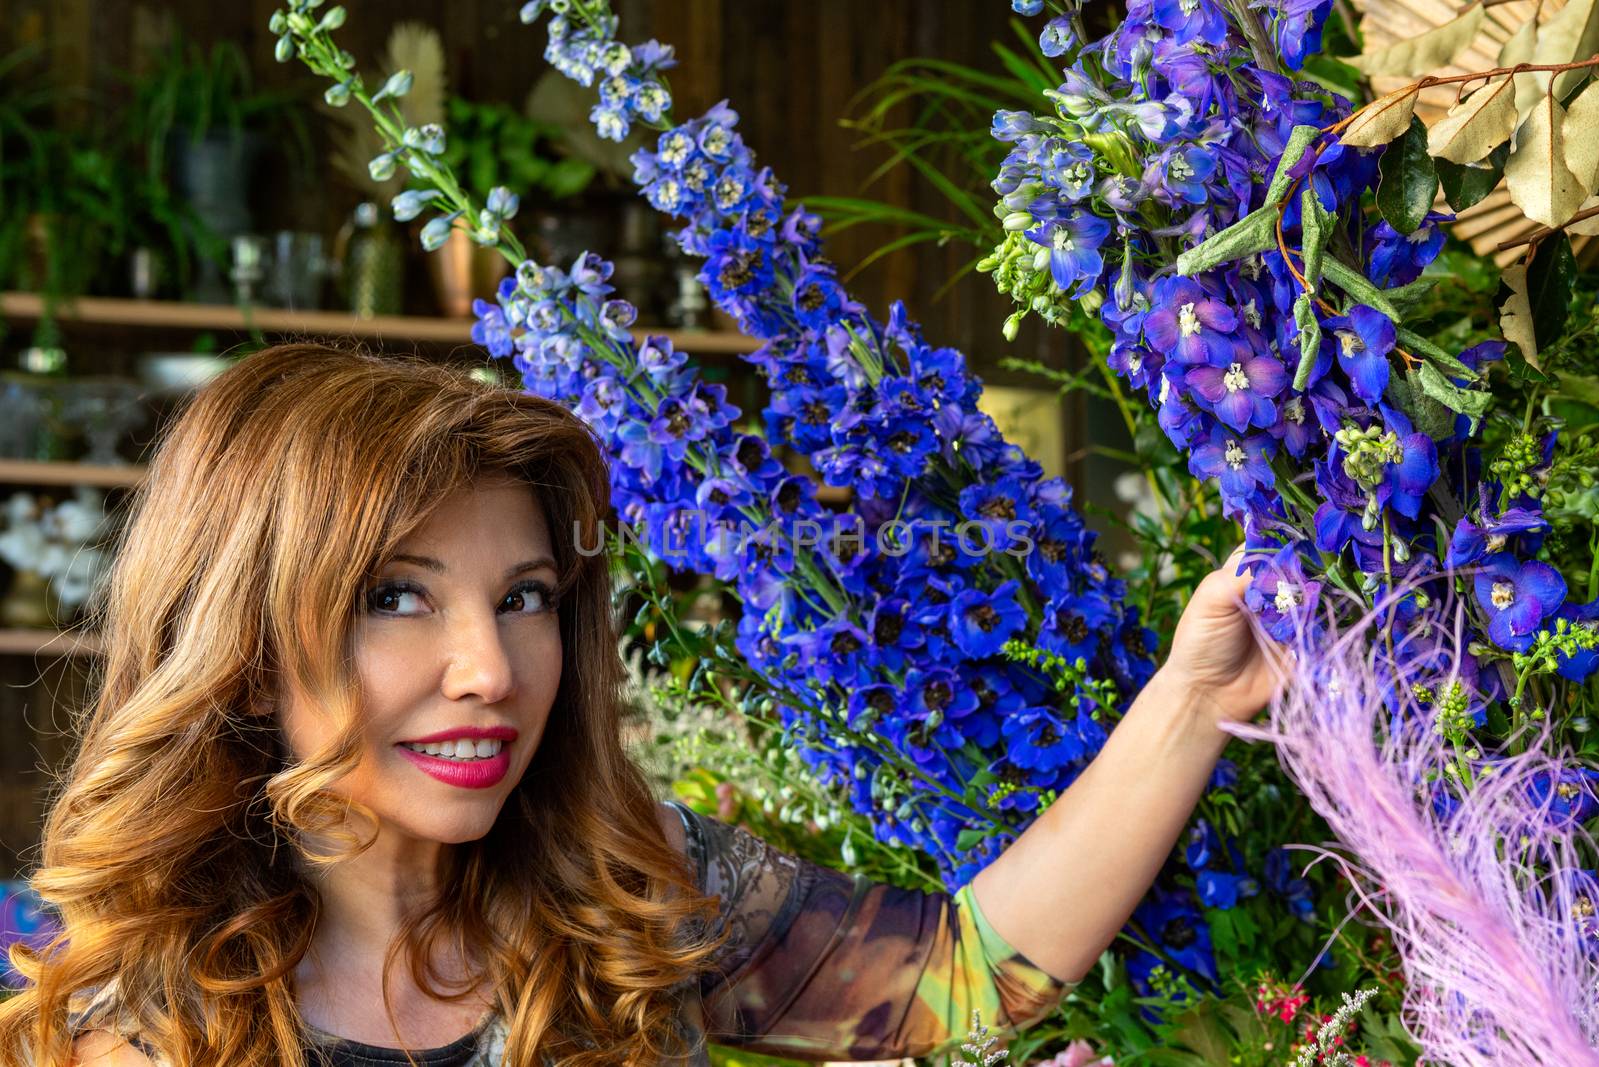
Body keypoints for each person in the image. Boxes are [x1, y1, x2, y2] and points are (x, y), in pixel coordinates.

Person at [0, 344, 1284, 1066]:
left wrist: (1195, 693)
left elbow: (955, 978)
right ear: (248, 640)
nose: (491, 670)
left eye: (524, 597)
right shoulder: (109, 1015)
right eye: (398, 596)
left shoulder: (631, 888)